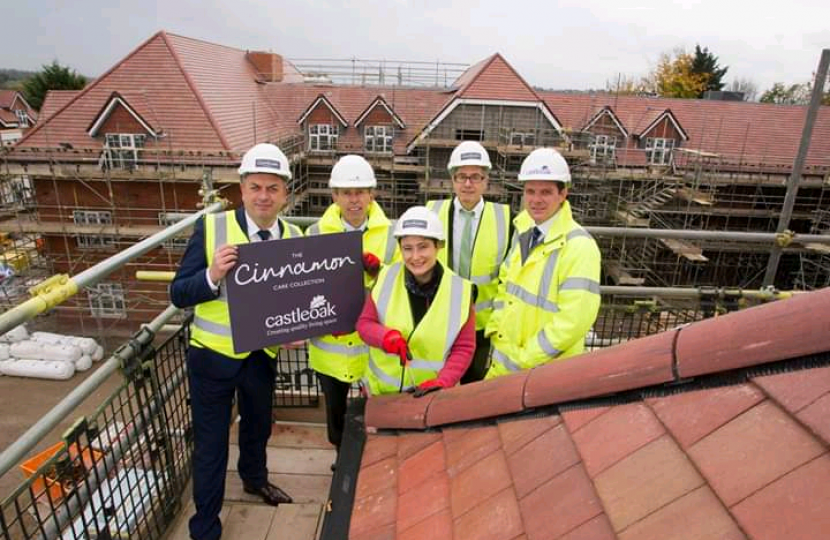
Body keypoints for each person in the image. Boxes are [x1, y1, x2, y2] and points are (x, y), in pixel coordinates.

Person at [170, 143, 301, 540]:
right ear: (241, 189)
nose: (264, 196)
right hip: (213, 359)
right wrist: (211, 277)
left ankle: (255, 479)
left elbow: (293, 297)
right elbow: (179, 294)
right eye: (256, 186)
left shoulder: (294, 236)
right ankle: (205, 527)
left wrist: (293, 327)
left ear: (285, 194)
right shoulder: (211, 229)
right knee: (211, 447)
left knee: (258, 427)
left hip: (261, 356)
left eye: (273, 188)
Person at [305, 154, 398, 464]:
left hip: (371, 347)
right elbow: (303, 290)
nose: (354, 200)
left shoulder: (393, 236)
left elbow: (400, 287)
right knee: (336, 414)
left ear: (372, 194)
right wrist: (318, 320)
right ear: (335, 196)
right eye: (346, 192)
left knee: (376, 409)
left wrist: (379, 272)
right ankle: (341, 459)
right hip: (330, 349)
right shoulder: (316, 235)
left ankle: (370, 462)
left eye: (360, 192)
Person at [485, 148, 601, 379]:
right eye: (530, 191)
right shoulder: (524, 231)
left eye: (546, 192)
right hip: (505, 362)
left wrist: (525, 358)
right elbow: (506, 286)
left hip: (545, 373)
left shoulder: (579, 247)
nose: (536, 200)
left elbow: (573, 322)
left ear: (563, 194)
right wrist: (495, 327)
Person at [356, 206, 476, 396]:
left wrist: (443, 381)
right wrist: (385, 338)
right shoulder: (386, 277)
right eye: (407, 248)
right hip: (382, 394)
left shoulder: (460, 291)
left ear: (438, 246)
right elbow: (364, 324)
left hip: (431, 396)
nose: (415, 257)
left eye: (423, 247)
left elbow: (464, 347)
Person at [426, 141, 512, 383]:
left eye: (475, 177)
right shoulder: (431, 213)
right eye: (461, 176)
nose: (468, 183)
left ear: (486, 181)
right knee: (438, 386)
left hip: (481, 327)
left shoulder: (506, 219)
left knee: (473, 390)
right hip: (439, 320)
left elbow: (509, 276)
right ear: (452, 179)